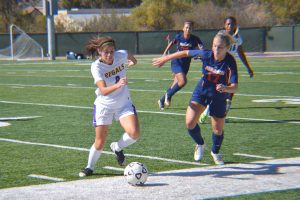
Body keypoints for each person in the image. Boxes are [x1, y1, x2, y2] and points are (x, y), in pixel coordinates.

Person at [153, 32, 238, 165]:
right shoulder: (207, 54)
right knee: (190, 122)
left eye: (220, 47)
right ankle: (200, 144)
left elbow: (235, 87)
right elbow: (185, 53)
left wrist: (226, 88)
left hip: (219, 96)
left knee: (217, 129)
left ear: (227, 48)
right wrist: (166, 58)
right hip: (202, 91)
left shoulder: (230, 62)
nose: (216, 49)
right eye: (214, 46)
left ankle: (215, 152)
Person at [79, 36, 140, 177]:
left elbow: (132, 58)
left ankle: (117, 147)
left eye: (112, 51)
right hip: (104, 105)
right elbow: (103, 91)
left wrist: (132, 62)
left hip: (123, 103)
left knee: (134, 133)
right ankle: (89, 167)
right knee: (99, 143)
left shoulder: (121, 54)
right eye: (106, 52)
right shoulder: (96, 66)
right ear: (99, 51)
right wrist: (118, 85)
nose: (109, 55)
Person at [199, 16, 253, 123]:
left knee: (229, 91)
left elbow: (240, 53)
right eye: (228, 24)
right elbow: (214, 48)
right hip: (219, 66)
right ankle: (209, 109)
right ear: (224, 25)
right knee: (217, 90)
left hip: (229, 66)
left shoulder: (237, 38)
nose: (230, 26)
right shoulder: (221, 35)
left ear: (235, 25)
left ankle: (220, 113)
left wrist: (248, 67)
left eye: (232, 24)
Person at [158, 20, 204, 111]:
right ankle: (168, 95)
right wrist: (164, 53)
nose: (188, 29)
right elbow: (171, 43)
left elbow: (201, 48)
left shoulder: (195, 39)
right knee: (183, 81)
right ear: (183, 28)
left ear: (192, 29)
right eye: (186, 27)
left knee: (175, 84)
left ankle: (161, 100)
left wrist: (199, 54)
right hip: (176, 61)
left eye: (190, 28)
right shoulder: (179, 37)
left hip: (186, 64)